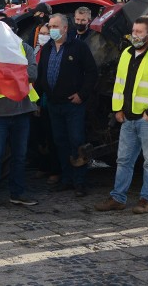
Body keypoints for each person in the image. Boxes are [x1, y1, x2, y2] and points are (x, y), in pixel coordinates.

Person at [94, 16, 148, 214]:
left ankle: (146, 199)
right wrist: (118, 110)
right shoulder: (127, 53)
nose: (135, 35)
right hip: (128, 118)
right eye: (133, 31)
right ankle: (118, 198)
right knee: (123, 160)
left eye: (139, 32)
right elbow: (119, 84)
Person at [36, 13, 98, 197]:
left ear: (65, 28)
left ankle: (80, 182)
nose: (52, 30)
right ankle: (66, 179)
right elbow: (41, 76)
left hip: (73, 105)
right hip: (54, 104)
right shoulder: (47, 49)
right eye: (50, 26)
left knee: (76, 142)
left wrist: (81, 95)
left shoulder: (78, 47)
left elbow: (92, 73)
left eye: (55, 27)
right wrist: (38, 100)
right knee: (60, 142)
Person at [0, 16, 39, 210]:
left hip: (22, 110)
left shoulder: (26, 48)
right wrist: (17, 71)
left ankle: (17, 193)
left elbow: (32, 74)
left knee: (19, 156)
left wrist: (9, 72)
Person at [28, 23, 61, 185]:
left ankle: (55, 170)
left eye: (47, 33)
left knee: (51, 135)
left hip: (46, 99)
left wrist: (40, 101)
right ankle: (42, 166)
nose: (44, 36)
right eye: (41, 33)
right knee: (38, 135)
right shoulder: (34, 50)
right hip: (33, 98)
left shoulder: (53, 51)